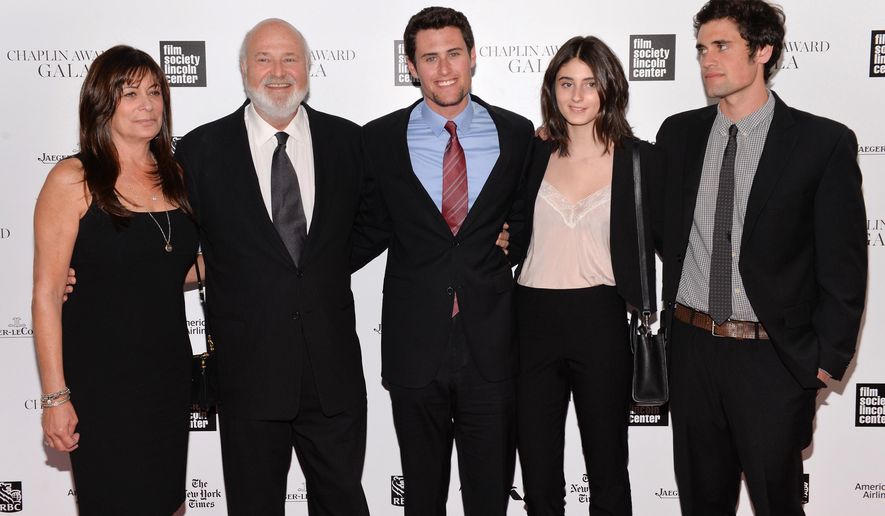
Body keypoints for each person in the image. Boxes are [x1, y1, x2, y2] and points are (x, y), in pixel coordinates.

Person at [655, 1, 867, 514]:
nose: (708, 59)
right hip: (691, 350)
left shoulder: (822, 143)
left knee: (777, 505)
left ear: (763, 51)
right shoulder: (677, 134)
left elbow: (844, 269)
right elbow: (644, 213)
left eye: (722, 46)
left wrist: (820, 367)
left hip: (771, 358)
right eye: (703, 48)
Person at [173, 19, 370, 516]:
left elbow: (377, 224)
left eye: (290, 59)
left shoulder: (348, 142)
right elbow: (171, 244)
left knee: (344, 503)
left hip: (333, 374)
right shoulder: (200, 151)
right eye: (264, 59)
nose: (278, 72)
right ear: (243, 69)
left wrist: (321, 270)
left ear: (308, 68)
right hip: (248, 375)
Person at [354, 6, 534, 515]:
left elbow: (526, 219)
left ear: (473, 56)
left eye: (454, 53)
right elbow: (367, 226)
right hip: (415, 348)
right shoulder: (379, 140)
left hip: (493, 346)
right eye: (429, 58)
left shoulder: (517, 135)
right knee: (422, 498)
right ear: (411, 66)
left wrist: (511, 243)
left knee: (489, 497)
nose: (445, 68)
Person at [32, 45, 198, 515]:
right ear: (102, 104)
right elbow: (46, 293)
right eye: (130, 94)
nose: (147, 104)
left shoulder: (177, 176)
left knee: (168, 504)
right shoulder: (74, 179)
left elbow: (171, 266)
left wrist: (248, 259)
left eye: (154, 92)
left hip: (166, 374)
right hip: (101, 381)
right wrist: (55, 396)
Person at [507, 36, 663, 516]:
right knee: (537, 466)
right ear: (551, 91)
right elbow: (504, 223)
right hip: (530, 318)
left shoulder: (640, 161)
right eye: (566, 83)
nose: (577, 96)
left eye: (590, 84)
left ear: (609, 89)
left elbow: (673, 243)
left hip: (601, 317)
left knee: (608, 465)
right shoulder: (531, 155)